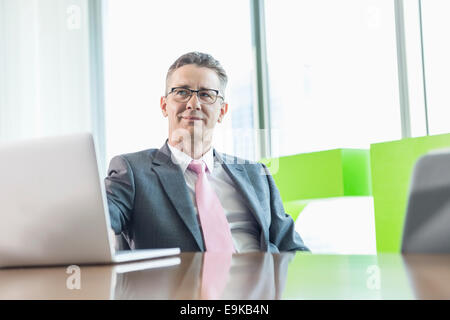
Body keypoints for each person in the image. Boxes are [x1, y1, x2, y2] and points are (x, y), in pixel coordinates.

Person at [105, 52, 309, 253]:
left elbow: (293, 248)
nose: (193, 103)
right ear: (164, 105)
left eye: (206, 95)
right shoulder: (132, 171)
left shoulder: (256, 174)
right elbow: (96, 222)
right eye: (182, 92)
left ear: (221, 112)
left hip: (262, 282)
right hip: (182, 285)